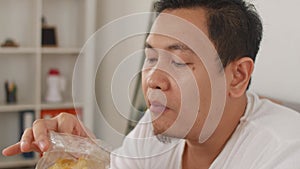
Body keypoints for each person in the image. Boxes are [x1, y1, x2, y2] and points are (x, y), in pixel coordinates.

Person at [3, 0, 300, 168]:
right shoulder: (158, 124)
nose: (153, 80)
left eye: (179, 61)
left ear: (237, 76)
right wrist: (86, 154)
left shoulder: (285, 152)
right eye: (150, 58)